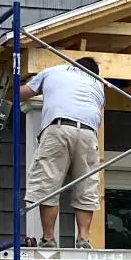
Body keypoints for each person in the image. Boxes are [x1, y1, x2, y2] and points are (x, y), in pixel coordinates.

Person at [21, 57, 105, 249]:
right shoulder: (98, 85)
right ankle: (84, 239)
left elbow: (23, 93)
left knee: (48, 183)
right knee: (86, 185)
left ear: (72, 65)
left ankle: (48, 239)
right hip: (88, 133)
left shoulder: (55, 71)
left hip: (59, 127)